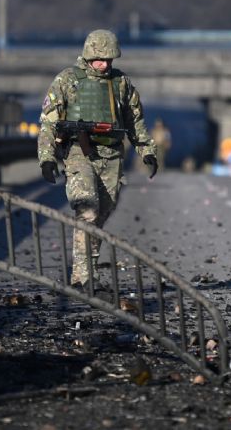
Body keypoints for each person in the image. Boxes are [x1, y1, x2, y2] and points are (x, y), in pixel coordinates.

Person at [37, 29, 157, 289]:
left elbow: (134, 120)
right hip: (79, 153)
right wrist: (47, 158)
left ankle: (87, 271)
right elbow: (48, 123)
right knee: (87, 210)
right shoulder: (67, 80)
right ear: (89, 56)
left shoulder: (121, 83)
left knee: (102, 212)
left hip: (112, 155)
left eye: (109, 60)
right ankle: (83, 278)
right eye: (100, 59)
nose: (105, 65)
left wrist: (147, 151)